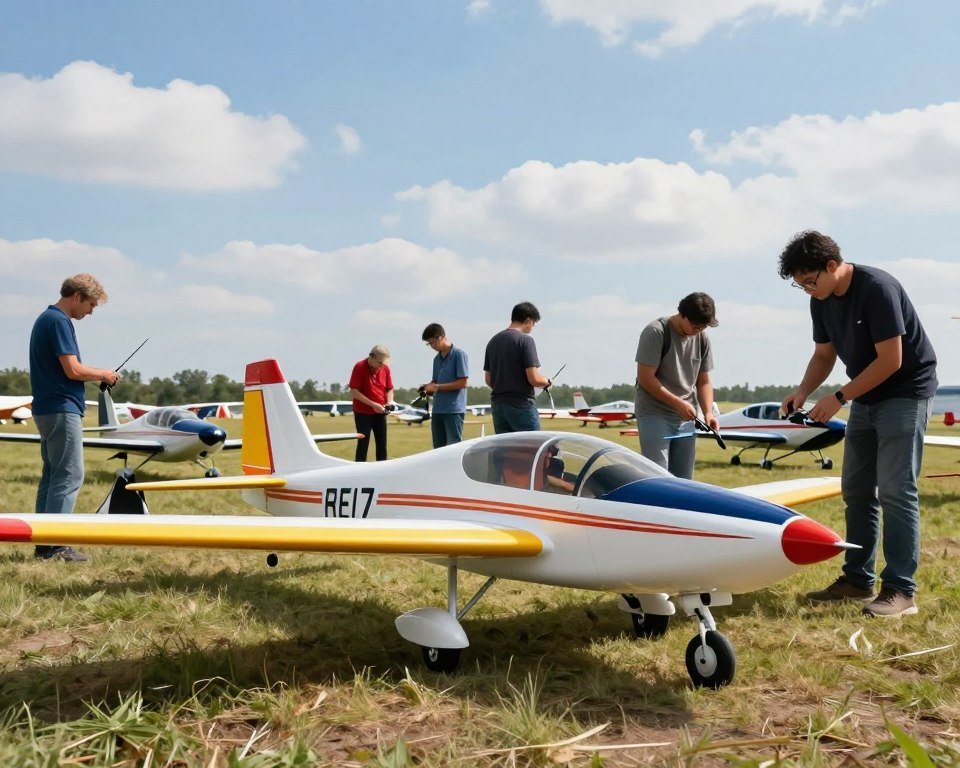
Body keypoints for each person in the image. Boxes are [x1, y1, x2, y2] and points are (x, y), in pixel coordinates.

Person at [778, 231, 937, 618]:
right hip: (865, 396)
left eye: (810, 282)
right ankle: (857, 581)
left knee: (897, 491)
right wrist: (803, 391)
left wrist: (839, 398)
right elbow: (823, 354)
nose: (808, 291)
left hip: (904, 393)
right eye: (800, 286)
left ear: (832, 266)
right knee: (856, 489)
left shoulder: (877, 288)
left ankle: (901, 591)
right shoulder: (821, 300)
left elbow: (890, 361)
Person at [30, 274, 121, 562]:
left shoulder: (47, 318)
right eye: (91, 305)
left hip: (47, 407)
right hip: (61, 408)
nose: (91, 311)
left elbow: (73, 368)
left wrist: (98, 373)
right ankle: (56, 546)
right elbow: (73, 370)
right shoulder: (58, 321)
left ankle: (44, 543)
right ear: (77, 296)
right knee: (69, 474)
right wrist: (104, 374)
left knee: (53, 475)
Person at [634, 292, 719, 479]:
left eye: (702, 327)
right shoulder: (656, 332)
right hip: (654, 414)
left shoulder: (702, 338)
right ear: (682, 314)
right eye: (695, 326)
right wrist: (678, 404)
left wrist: (708, 413)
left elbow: (703, 381)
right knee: (658, 478)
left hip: (687, 418)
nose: (698, 331)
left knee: (684, 481)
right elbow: (645, 378)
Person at [483, 302, 551, 434]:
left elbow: (488, 380)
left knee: (506, 450)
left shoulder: (493, 342)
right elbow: (534, 379)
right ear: (528, 320)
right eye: (534, 323)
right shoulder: (525, 340)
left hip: (498, 405)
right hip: (520, 403)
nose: (532, 327)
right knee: (531, 448)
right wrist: (547, 382)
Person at [420, 323, 469, 448]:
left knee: (453, 448)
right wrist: (427, 387)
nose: (431, 346)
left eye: (432, 343)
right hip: (437, 410)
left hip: (453, 410)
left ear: (441, 337)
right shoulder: (436, 359)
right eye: (429, 344)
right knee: (438, 450)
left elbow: (463, 383)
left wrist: (436, 387)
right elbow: (435, 382)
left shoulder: (459, 355)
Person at [349, 344, 395, 462]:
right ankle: (359, 471)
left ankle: (382, 471)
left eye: (383, 363)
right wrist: (373, 404)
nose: (381, 365)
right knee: (363, 443)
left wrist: (389, 401)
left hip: (380, 412)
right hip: (362, 413)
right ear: (372, 357)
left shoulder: (385, 368)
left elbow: (389, 388)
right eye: (380, 362)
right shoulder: (359, 367)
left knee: (382, 444)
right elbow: (354, 391)